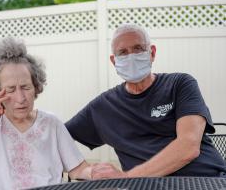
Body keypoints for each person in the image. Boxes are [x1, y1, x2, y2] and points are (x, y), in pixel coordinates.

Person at [65, 23, 226, 178]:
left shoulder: (179, 83)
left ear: (152, 52)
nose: (131, 57)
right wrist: (83, 171)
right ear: (114, 61)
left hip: (208, 179)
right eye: (123, 52)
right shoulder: (103, 107)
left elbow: (188, 146)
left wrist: (127, 177)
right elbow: (57, 135)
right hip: (146, 185)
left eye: (138, 49)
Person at [0, 37, 91, 190]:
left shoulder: (52, 124)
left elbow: (78, 169)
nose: (21, 98)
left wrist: (94, 173)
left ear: (36, 87)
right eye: (10, 90)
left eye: (26, 87)